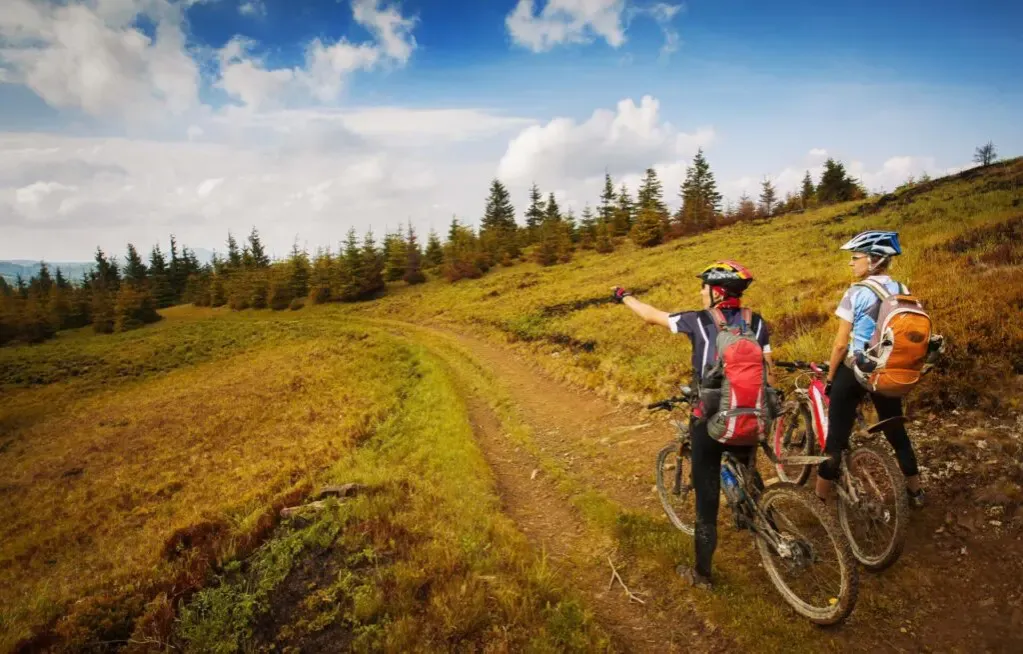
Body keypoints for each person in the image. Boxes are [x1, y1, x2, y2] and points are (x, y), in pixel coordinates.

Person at [612, 260, 776, 590]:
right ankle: (769, 525)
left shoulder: (698, 322)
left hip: (709, 418)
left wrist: (624, 296)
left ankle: (702, 574)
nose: (700, 292)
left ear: (717, 293)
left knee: (707, 499)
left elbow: (650, 315)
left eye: (704, 287)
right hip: (752, 412)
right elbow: (769, 369)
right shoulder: (756, 323)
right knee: (747, 466)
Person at [815, 230, 925, 508]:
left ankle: (818, 502)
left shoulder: (856, 292)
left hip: (856, 369)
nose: (851, 263)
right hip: (887, 369)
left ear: (874, 260)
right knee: (896, 432)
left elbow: (841, 345)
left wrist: (830, 378)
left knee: (836, 439)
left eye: (856, 257)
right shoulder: (902, 289)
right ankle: (916, 492)